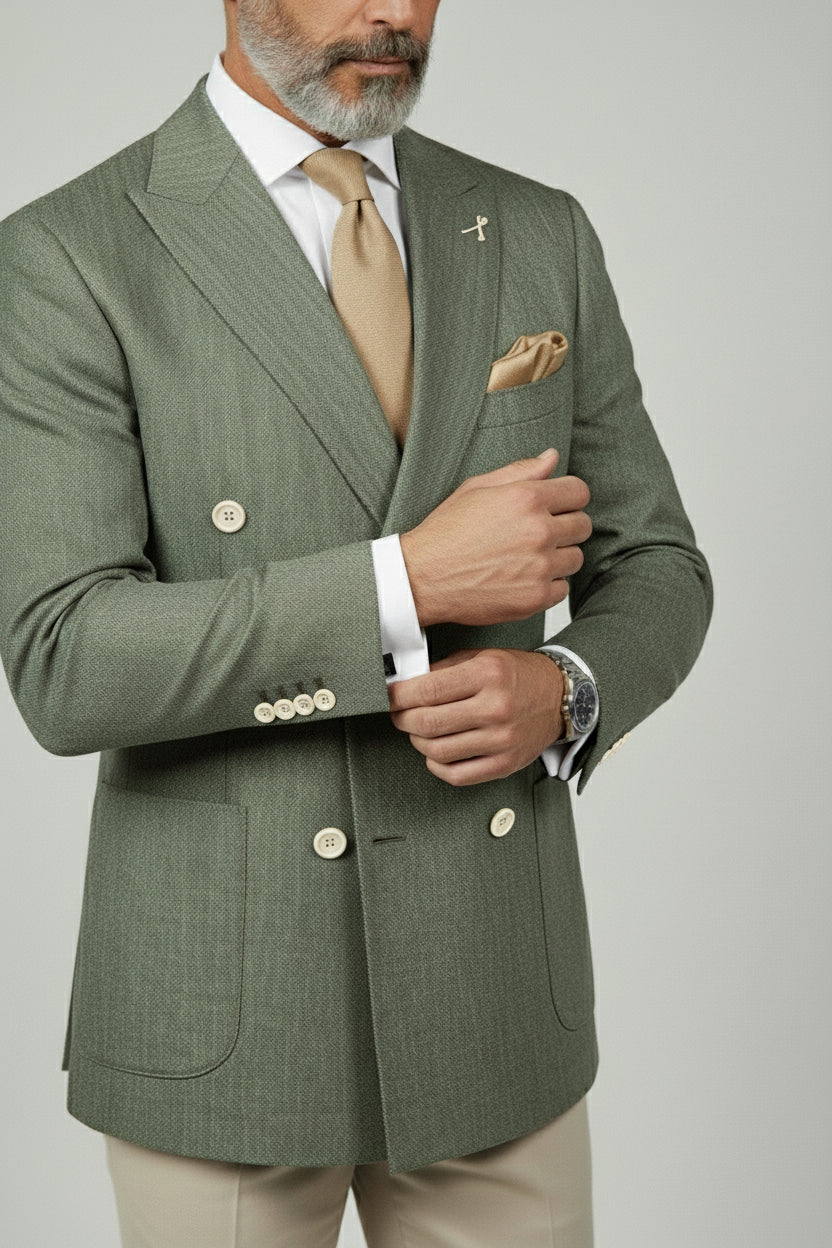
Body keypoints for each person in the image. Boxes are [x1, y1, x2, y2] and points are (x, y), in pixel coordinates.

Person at [0, 1, 713, 1244]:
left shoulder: (536, 226)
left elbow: (654, 559)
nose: (390, 11)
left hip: (493, 993)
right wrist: (404, 583)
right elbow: (64, 661)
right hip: (226, 1011)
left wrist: (570, 690)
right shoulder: (67, 254)